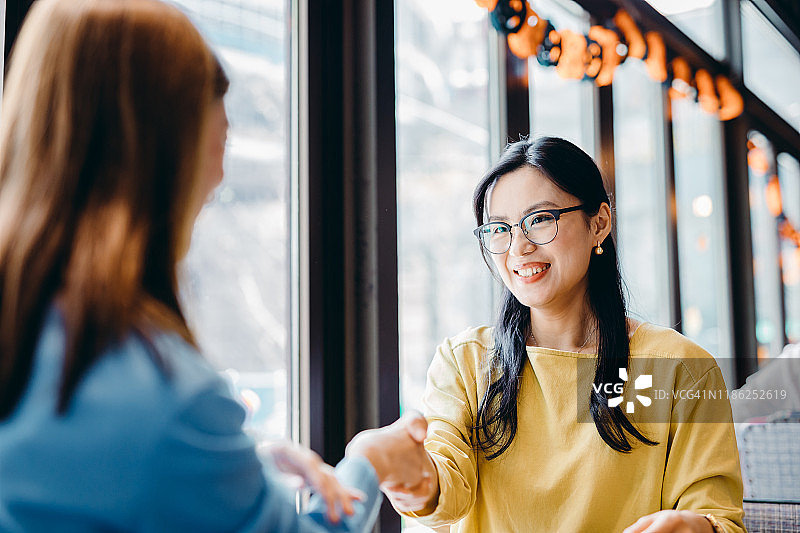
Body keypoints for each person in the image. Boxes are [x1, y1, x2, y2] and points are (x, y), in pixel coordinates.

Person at [0, 1, 427, 531]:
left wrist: (234, 468)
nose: (206, 201)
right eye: (203, 185)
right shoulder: (168, 398)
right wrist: (371, 460)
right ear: (161, 170)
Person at [382, 137, 746, 532]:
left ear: (599, 224)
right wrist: (415, 478)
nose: (518, 247)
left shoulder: (678, 368)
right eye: (500, 229)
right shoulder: (465, 361)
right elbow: (444, 490)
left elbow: (719, 518)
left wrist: (694, 527)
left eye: (539, 219)